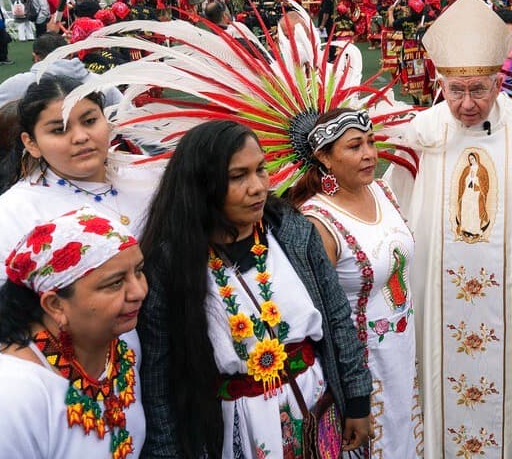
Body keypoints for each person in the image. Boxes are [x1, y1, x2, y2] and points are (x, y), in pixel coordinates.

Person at [385, 0, 512, 456]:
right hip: (438, 301)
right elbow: (392, 215)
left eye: (480, 90)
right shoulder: (423, 131)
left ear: (498, 83)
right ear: (441, 83)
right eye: (458, 90)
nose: (468, 103)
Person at [137, 120, 373, 458]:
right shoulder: (170, 265)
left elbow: (336, 318)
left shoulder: (292, 233)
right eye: (238, 176)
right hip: (232, 426)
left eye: (260, 170)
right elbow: (158, 377)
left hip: (313, 408)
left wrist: (357, 399)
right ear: (201, 184)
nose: (258, 187)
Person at [287, 108, 424, 458]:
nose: (369, 154)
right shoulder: (318, 221)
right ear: (324, 158)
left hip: (403, 354)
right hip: (361, 367)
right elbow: (323, 318)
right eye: (354, 146)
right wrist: (352, 395)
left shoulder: (381, 190)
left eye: (371, 142)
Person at [0, 207, 148, 458]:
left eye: (139, 271)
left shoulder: (122, 342)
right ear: (55, 305)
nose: (139, 291)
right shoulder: (10, 394)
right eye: (115, 283)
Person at [0, 75, 161, 305]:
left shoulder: (151, 174)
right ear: (31, 143)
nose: (81, 137)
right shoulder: (11, 215)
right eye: (59, 130)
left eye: (90, 121)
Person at [0, 34, 122, 120]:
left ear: (36, 57)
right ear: (70, 55)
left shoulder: (18, 84)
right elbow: (127, 116)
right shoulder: (100, 82)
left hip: (34, 156)